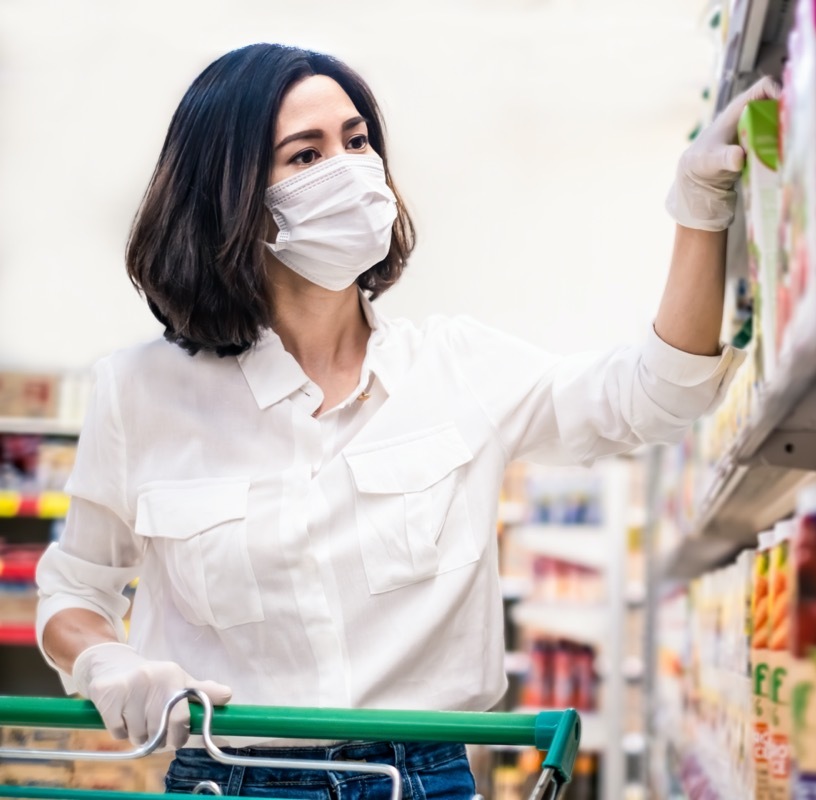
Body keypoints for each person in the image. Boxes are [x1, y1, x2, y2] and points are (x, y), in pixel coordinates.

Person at [35, 43, 778, 799]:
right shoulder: (139, 393)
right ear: (230, 194)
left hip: (425, 775)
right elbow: (76, 593)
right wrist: (107, 662)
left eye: (358, 142)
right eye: (306, 154)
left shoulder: (457, 369)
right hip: (230, 777)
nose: (352, 168)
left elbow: (658, 395)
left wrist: (699, 212)